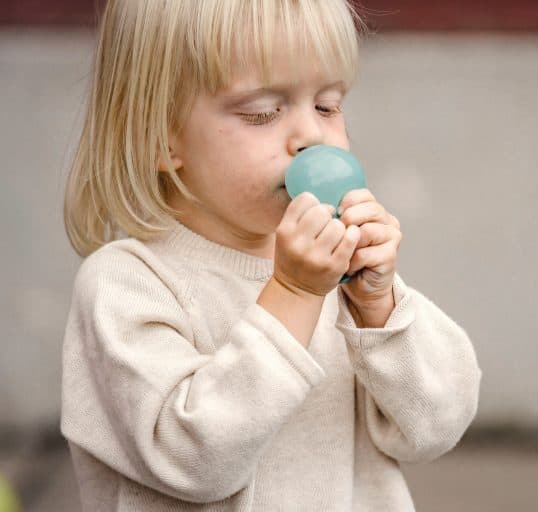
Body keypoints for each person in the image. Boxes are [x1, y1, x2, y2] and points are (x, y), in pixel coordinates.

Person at [60, 0, 482, 510]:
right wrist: (293, 295)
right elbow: (192, 461)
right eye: (263, 112)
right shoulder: (128, 285)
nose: (311, 136)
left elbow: (436, 426)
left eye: (328, 105)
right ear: (158, 133)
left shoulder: (339, 270)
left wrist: (382, 310)